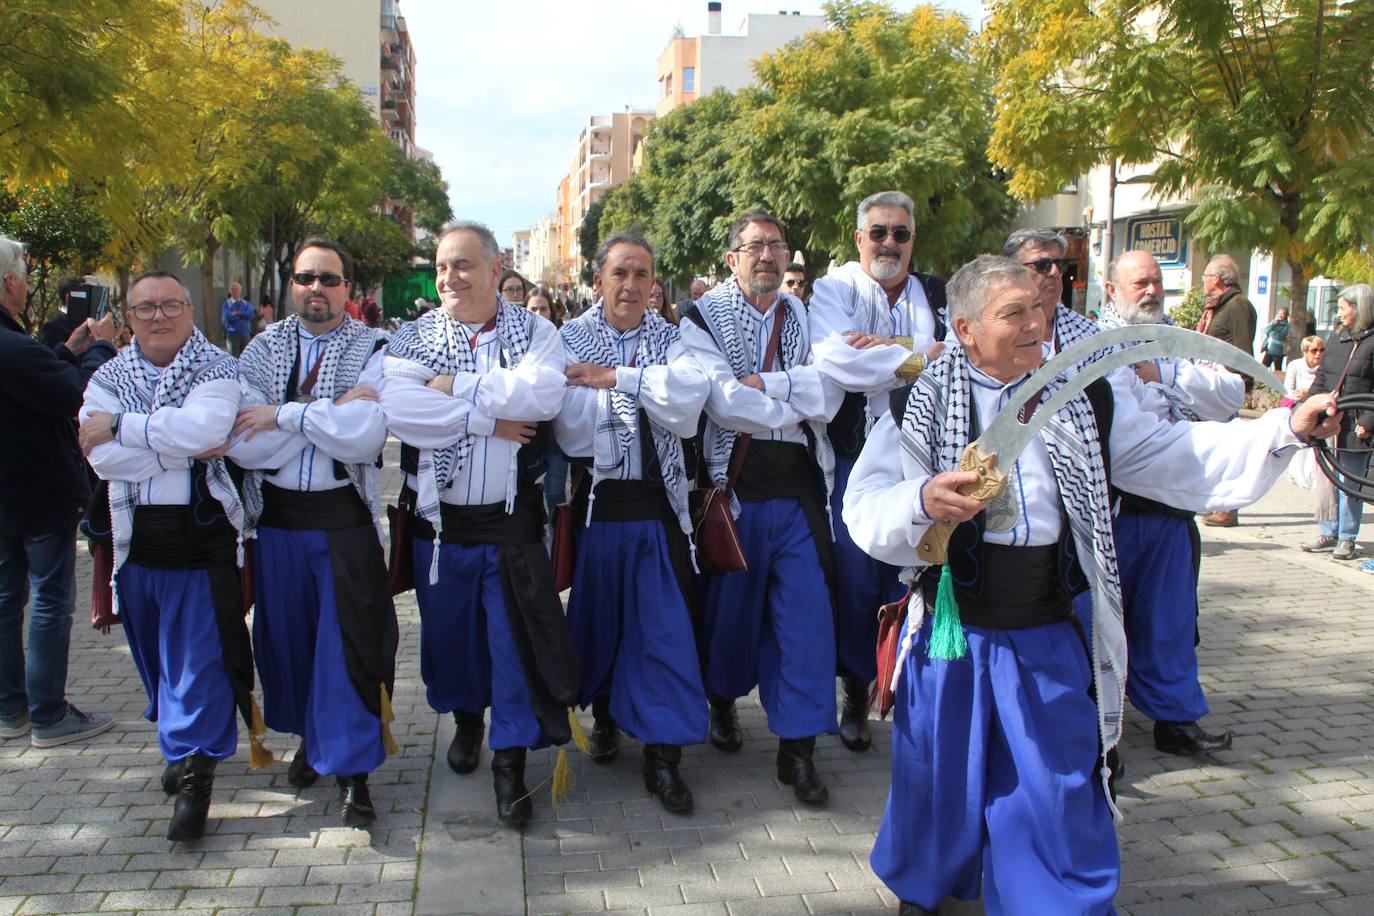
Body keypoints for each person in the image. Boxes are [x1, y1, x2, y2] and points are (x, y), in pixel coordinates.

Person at [842, 254, 1339, 915]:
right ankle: (925, 891)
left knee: (1053, 788)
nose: (1034, 325)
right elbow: (865, 507)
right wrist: (922, 501)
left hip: (1046, 630)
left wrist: (1283, 429)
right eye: (1012, 313)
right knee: (938, 787)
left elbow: (1176, 456)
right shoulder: (917, 405)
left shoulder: (1083, 401)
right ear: (964, 329)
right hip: (950, 635)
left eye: (1039, 310)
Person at [379, 221, 578, 825]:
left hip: (512, 524)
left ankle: (510, 763)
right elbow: (401, 411)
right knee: (452, 640)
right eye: (441, 267)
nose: (448, 278)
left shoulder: (537, 330)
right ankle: (466, 720)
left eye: (462, 265)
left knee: (513, 649)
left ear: (495, 270)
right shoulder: (414, 337)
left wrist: (456, 387)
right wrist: (486, 419)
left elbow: (541, 400)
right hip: (441, 530)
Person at [79, 269, 258, 842]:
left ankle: (196, 781)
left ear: (190, 311)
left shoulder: (216, 368)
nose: (159, 316)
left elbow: (207, 426)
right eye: (146, 307)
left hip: (201, 536)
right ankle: (180, 747)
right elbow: (102, 460)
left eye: (171, 306)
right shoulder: (108, 376)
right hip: (136, 542)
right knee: (157, 664)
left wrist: (123, 429)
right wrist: (180, 446)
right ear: (129, 317)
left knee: (198, 664)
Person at [228, 238, 397, 829]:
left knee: (346, 650)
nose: (316, 289)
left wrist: (284, 413)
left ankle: (353, 773)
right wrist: (330, 411)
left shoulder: (375, 347)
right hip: (277, 524)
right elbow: (245, 447)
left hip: (342, 523)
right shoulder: (259, 350)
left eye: (329, 279)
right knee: (290, 644)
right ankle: (309, 742)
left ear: (349, 288)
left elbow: (365, 439)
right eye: (306, 278)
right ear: (291, 285)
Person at [679, 209, 842, 804]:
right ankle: (721, 701)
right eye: (754, 247)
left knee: (806, 620)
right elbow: (723, 404)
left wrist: (767, 387)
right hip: (736, 484)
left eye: (776, 246)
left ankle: (798, 751)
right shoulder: (701, 316)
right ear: (732, 257)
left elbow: (828, 393)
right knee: (730, 615)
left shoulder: (804, 310)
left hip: (799, 482)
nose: (768, 256)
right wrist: (791, 394)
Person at [555, 233, 710, 814]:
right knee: (601, 626)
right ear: (598, 280)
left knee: (664, 633)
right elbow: (569, 428)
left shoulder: (676, 337)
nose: (630, 285)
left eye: (641, 274)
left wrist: (617, 379)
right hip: (600, 510)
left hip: (658, 510)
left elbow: (687, 406)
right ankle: (606, 716)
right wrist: (645, 387)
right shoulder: (568, 338)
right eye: (619, 273)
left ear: (654, 284)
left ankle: (663, 759)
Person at [1085, 249, 1243, 756]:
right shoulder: (1093, 342)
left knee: (1170, 621)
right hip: (1115, 509)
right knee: (1101, 623)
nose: (1150, 291)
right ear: (1112, 290)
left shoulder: (1180, 341)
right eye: (1139, 283)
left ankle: (1175, 720)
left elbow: (1230, 394)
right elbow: (1129, 426)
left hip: (1171, 509)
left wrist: (1169, 376)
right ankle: (1094, 728)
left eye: (1156, 281)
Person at [807, 190, 946, 751]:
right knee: (857, 580)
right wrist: (918, 354)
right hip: (853, 457)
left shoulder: (936, 291)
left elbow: (960, 351)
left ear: (913, 240)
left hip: (922, 461)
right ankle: (854, 691)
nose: (890, 243)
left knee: (915, 577)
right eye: (879, 232)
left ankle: (914, 691)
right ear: (859, 238)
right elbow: (837, 359)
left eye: (901, 234)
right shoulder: (834, 289)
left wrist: (889, 347)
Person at [0, 235, 116, 749]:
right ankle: (49, 713)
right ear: (9, 283)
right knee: (49, 600)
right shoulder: (13, 346)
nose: (27, 286)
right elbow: (76, 395)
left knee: (6, 600)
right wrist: (101, 349)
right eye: (24, 275)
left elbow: (36, 380)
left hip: (8, 497)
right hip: (39, 495)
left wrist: (64, 352)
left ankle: (11, 710)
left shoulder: (22, 347)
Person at [1302, 284, 1374, 561]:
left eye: (1344, 307)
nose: (1339, 313)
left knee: (1349, 483)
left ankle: (1346, 537)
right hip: (1328, 420)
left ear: (1359, 309)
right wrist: (1304, 407)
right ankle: (1327, 531)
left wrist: (1368, 419)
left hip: (1356, 423)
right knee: (1327, 480)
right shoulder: (1337, 337)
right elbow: (1322, 378)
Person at [1197, 254, 1258, 529]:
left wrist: (1243, 385)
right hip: (1211, 385)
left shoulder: (1237, 306)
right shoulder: (1217, 307)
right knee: (1213, 448)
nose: (1203, 281)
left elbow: (1243, 350)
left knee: (1227, 450)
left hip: (1227, 388)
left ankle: (1228, 508)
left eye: (1206, 276)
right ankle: (1217, 501)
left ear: (1218, 279)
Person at [1003, 229, 1098, 357]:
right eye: (1042, 265)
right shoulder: (992, 331)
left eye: (1060, 264)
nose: (1054, 272)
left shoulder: (1089, 332)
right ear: (1011, 272)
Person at [1282, 335, 1324, 407]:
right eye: (1314, 350)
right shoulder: (1294, 365)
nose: (1318, 354)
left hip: (1319, 405)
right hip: (1297, 403)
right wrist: (1299, 396)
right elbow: (1287, 391)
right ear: (1305, 351)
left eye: (1322, 350)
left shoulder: (1325, 368)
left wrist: (1308, 393)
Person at [221, 282, 255, 357]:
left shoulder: (245, 303)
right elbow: (228, 317)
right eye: (233, 289)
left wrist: (238, 313)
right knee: (233, 358)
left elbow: (250, 315)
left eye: (237, 289)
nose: (235, 291)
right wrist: (243, 316)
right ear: (230, 291)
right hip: (232, 335)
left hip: (245, 334)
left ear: (240, 291)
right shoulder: (226, 304)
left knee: (246, 358)